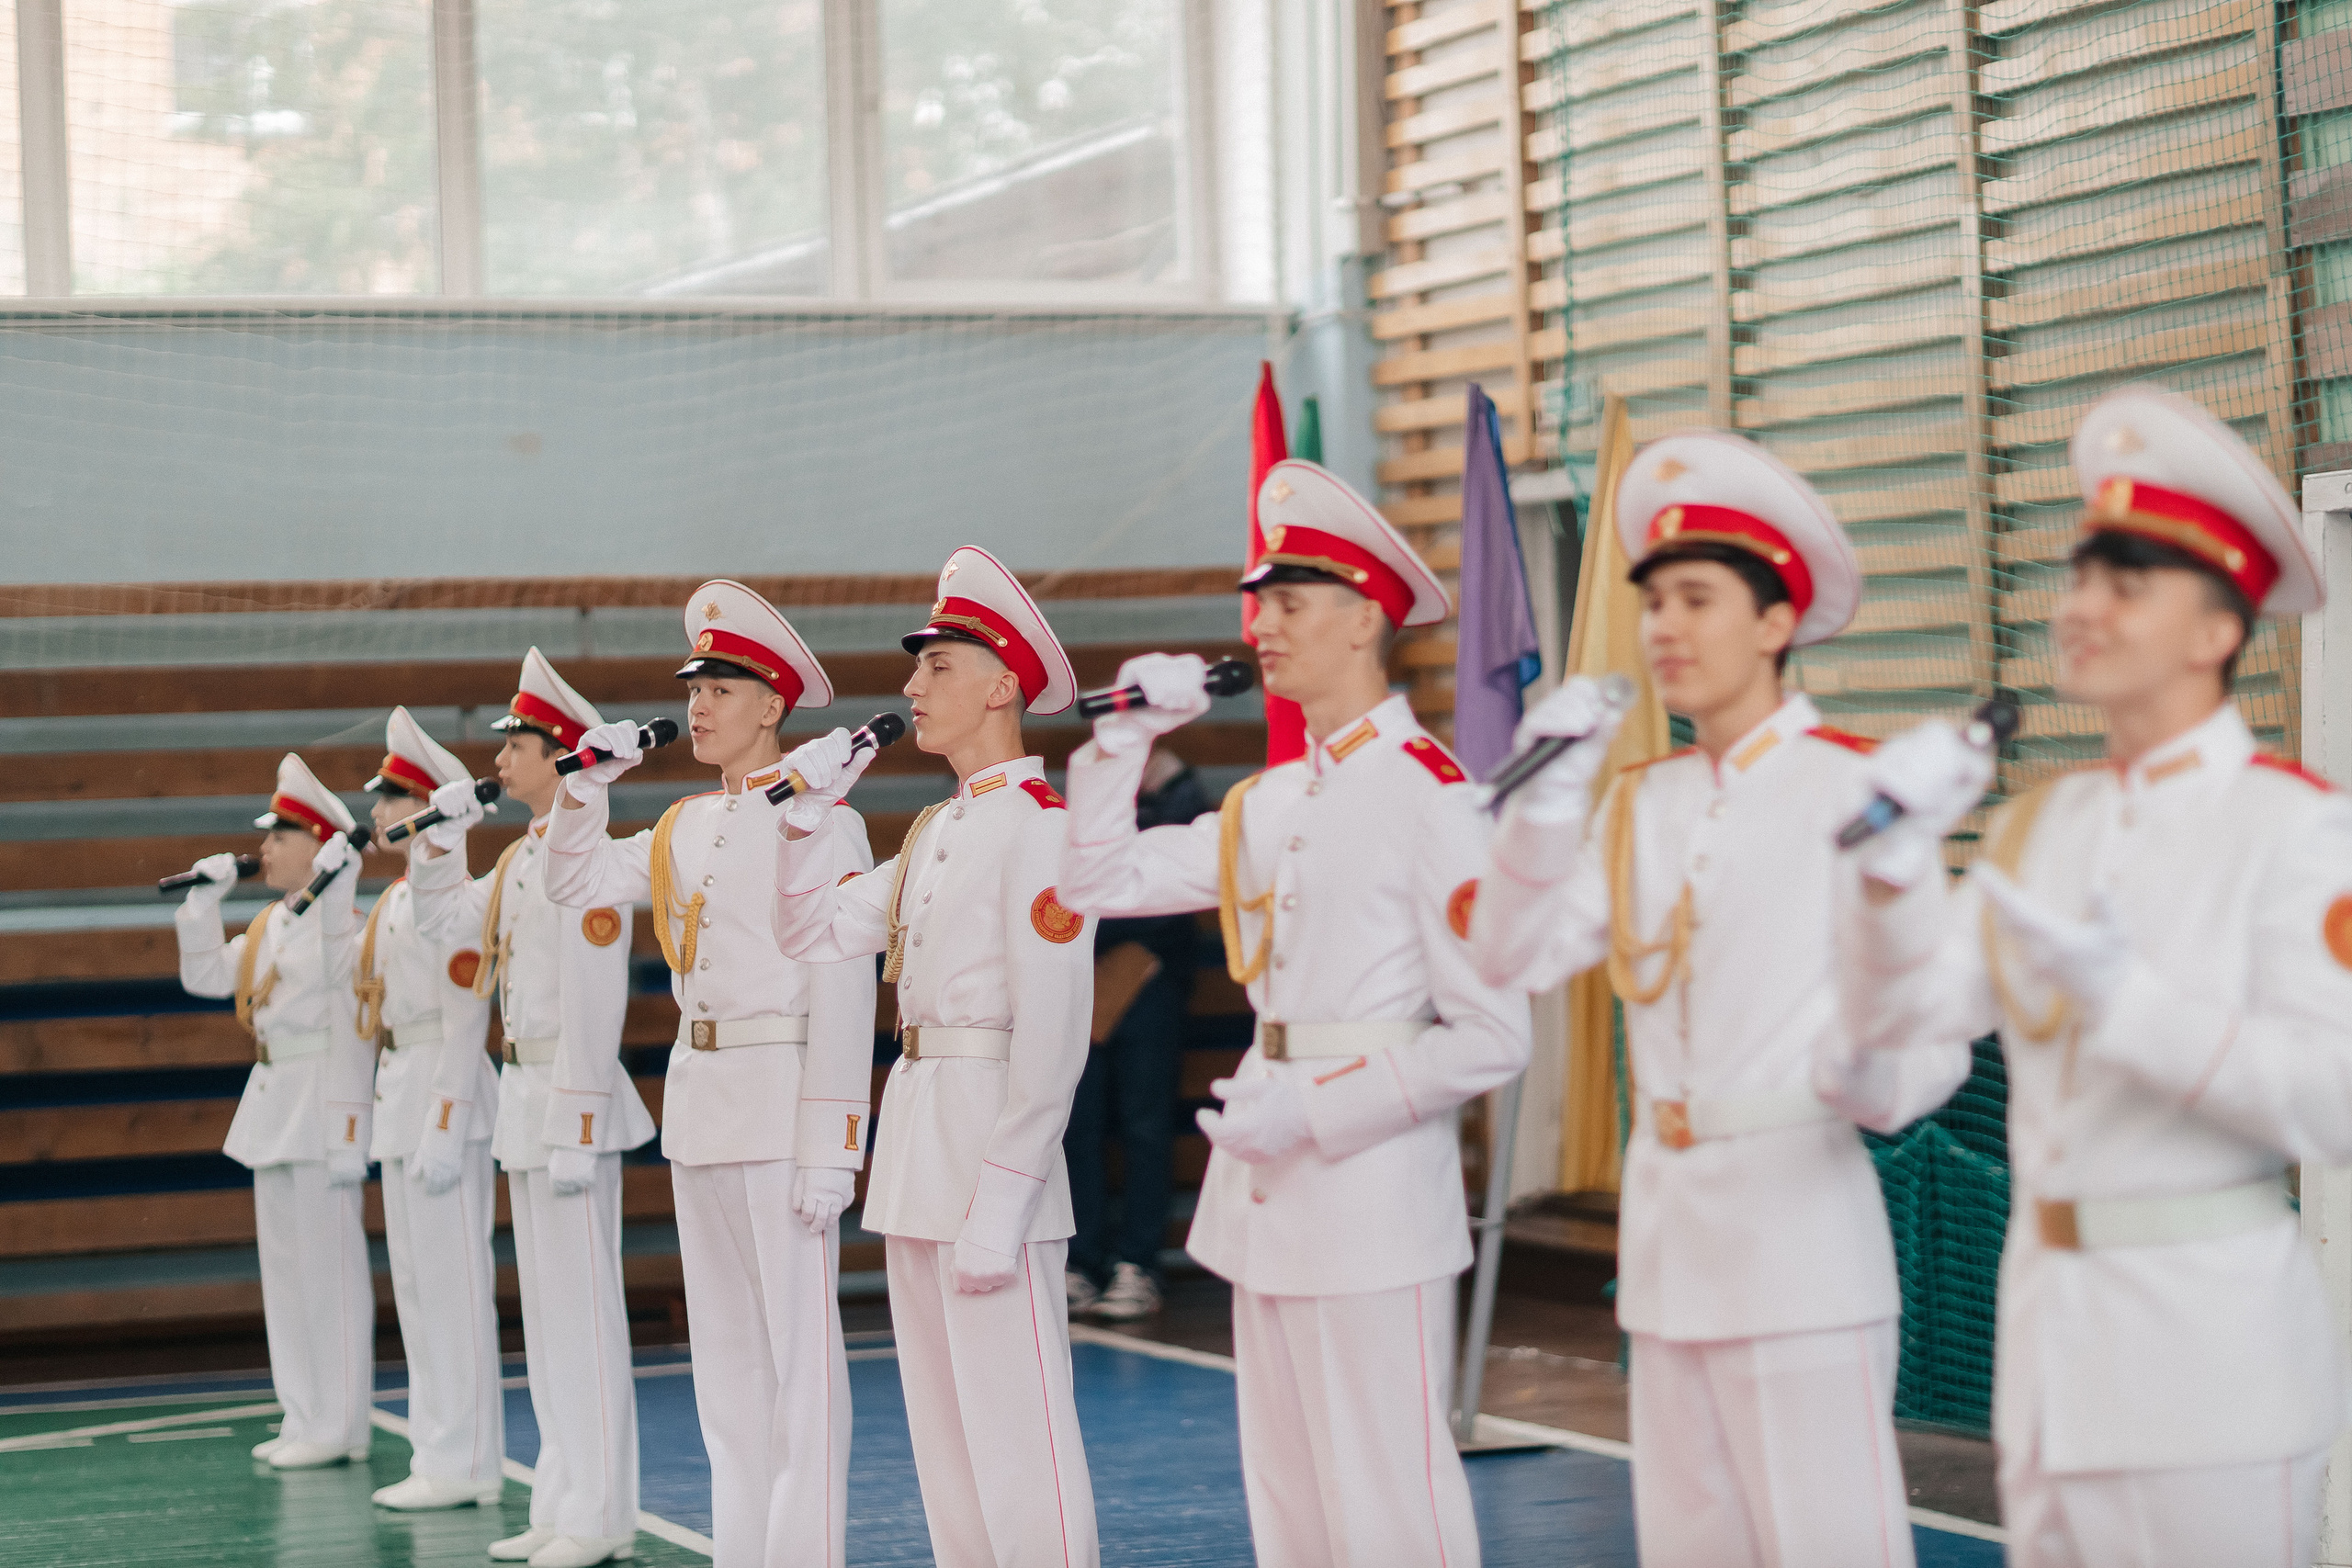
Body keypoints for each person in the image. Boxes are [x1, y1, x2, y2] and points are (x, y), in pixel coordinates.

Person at [1835, 387, 2352, 1568]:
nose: (2080, 610)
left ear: (2216, 630)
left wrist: (2133, 1005)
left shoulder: (2295, 833)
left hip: (2212, 1364)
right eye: (2077, 579)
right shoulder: (2041, 830)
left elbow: (2333, 1100)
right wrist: (1892, 877)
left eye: (2124, 585)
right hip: (2054, 1350)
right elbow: (1906, 1020)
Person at [1464, 430, 1964, 1567]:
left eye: (1695, 600)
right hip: (1667, 1250)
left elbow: (1933, 1035)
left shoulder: (1861, 789)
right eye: (1654, 606)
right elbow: (1508, 957)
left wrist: (1870, 1076)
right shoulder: (1641, 803)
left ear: (1775, 623)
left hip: (1801, 1241)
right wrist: (1543, 809)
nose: (1665, 631)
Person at [1057, 459, 1532, 1567]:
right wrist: (1117, 747)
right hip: (1265, 1186)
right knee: (1290, 1494)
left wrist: (1316, 1118)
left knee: (1385, 1493)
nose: (1258, 626)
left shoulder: (1435, 797)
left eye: (1286, 603)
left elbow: (1496, 1035)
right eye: (1257, 602)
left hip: (1366, 1182)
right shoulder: (1268, 800)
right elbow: (1095, 886)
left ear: (1364, 616)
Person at [770, 546, 1099, 1568]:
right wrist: (803, 820)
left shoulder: (1040, 829)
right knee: (947, 1439)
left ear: (1003, 684)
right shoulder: (933, 832)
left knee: (1020, 1436)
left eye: (938, 668)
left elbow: (1053, 1034)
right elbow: (809, 932)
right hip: (920, 1152)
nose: (912, 687)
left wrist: (1005, 1192)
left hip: (994, 1154)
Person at [542, 581, 876, 1568]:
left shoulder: (824, 819)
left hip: (782, 1104)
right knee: (726, 1368)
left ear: (773, 706)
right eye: (694, 688)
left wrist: (834, 1141)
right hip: (703, 1102)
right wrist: (583, 789)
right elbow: (572, 879)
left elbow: (844, 989)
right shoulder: (685, 824)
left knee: (801, 1367)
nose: (699, 707)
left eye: (722, 688)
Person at [411, 648, 655, 1568]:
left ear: (559, 754)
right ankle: (561, 1499)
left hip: (569, 1096)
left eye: (515, 744)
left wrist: (582, 1117)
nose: (499, 760)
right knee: (548, 1322)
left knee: (585, 1317)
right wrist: (437, 841)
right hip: (525, 1093)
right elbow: (446, 928)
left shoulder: (580, 856)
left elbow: (598, 997)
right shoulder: (518, 857)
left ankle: (598, 1515)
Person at [173, 752, 373, 1471]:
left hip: (321, 1105)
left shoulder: (339, 925)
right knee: (286, 1275)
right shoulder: (272, 925)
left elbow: (340, 998)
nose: (263, 849)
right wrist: (201, 902)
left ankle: (342, 1420)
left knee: (329, 1274)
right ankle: (304, 1412)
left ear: (317, 845)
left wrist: (334, 874)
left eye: (280, 835)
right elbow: (202, 975)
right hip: (272, 1104)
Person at [357, 707, 505, 1511]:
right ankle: (438, 1449)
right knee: (416, 1284)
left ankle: (470, 1458)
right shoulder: (399, 902)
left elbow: (465, 1013)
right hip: (402, 1094)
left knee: (452, 1284)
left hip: (445, 1097)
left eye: (393, 797)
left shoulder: (453, 900)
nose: (378, 812)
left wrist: (448, 1118)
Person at [1063, 746, 1214, 1322]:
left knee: (1147, 1125)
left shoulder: (1181, 790)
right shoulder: (1090, 783)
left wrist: (1165, 783)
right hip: (1087, 975)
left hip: (1152, 977)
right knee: (1080, 1125)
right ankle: (1082, 1260)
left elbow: (1171, 882)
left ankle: (1138, 1263)